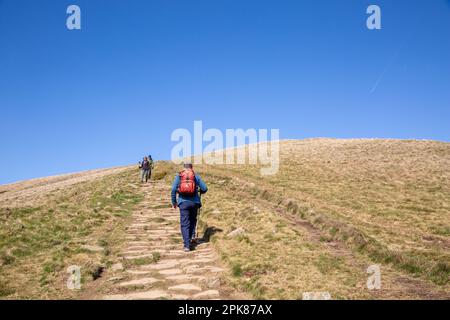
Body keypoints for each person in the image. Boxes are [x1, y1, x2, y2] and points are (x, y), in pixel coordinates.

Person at [171, 162, 208, 252]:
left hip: (183, 202)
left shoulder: (179, 176)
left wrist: (174, 202)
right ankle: (191, 237)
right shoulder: (195, 176)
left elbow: (173, 189)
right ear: (191, 167)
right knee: (192, 220)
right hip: (194, 202)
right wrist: (199, 191)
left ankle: (187, 245)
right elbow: (205, 188)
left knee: (184, 223)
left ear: (184, 168)